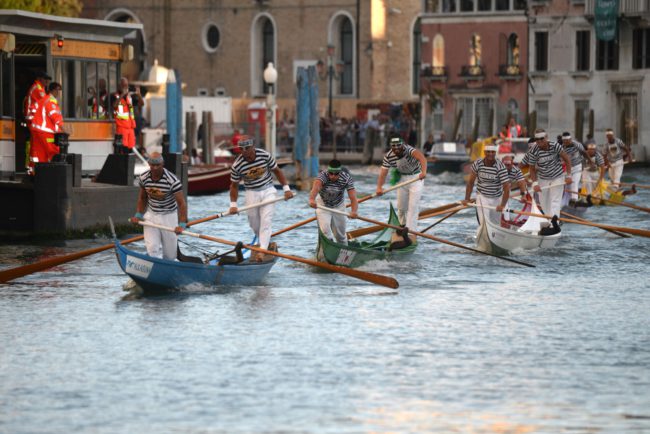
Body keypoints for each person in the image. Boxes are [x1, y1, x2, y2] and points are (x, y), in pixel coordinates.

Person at [228, 136, 293, 261]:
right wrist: (233, 205)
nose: (245, 152)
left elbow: (277, 171)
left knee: (266, 220)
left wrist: (286, 189)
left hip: (268, 190)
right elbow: (234, 186)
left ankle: (262, 250)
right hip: (251, 192)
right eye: (242, 149)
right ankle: (264, 241)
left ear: (253, 147)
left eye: (247, 148)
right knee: (254, 223)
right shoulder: (237, 165)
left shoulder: (264, 155)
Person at [130, 152, 187, 260]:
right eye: (152, 165)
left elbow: (181, 203)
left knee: (170, 255)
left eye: (158, 165)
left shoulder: (172, 180)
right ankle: (153, 268)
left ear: (162, 164)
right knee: (152, 248)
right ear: (149, 164)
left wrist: (182, 224)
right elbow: (143, 198)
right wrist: (138, 215)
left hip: (169, 216)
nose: (155, 168)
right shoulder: (143, 178)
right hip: (151, 215)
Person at [376, 133, 427, 237]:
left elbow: (422, 158)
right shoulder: (388, 156)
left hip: (416, 178)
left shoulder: (409, 150)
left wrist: (424, 172)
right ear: (391, 147)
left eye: (399, 146)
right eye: (394, 147)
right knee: (401, 207)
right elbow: (383, 173)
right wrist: (379, 187)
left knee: (413, 207)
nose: (396, 149)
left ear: (403, 145)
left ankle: (411, 233)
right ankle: (402, 227)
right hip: (402, 179)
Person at [308, 159, 358, 245]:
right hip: (323, 206)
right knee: (325, 231)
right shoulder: (323, 176)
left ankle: (344, 251)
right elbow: (316, 187)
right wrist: (312, 199)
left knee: (340, 237)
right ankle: (329, 247)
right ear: (328, 171)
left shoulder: (347, 178)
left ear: (340, 172)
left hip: (339, 206)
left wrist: (354, 211)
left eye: (336, 174)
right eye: (331, 173)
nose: (333, 176)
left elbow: (353, 198)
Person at [525, 128, 572, 218]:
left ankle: (554, 223)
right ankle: (549, 220)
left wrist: (569, 175)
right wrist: (535, 183)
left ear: (546, 137)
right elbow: (532, 169)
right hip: (543, 178)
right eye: (537, 139)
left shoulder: (555, 146)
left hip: (557, 176)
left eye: (541, 138)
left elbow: (567, 159)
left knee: (555, 201)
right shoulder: (533, 151)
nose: (539, 141)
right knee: (544, 203)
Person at [462, 145, 510, 225]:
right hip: (482, 196)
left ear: (495, 153)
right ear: (484, 152)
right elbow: (470, 183)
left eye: (492, 152)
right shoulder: (477, 163)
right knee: (483, 222)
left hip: (496, 198)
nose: (490, 154)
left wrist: (502, 205)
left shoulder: (500, 167)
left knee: (496, 223)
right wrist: (467, 199)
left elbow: (506, 188)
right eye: (488, 152)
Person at [29, 82, 64, 172]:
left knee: (40, 154)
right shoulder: (51, 101)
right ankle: (56, 174)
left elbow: (32, 109)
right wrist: (63, 128)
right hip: (46, 133)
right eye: (59, 90)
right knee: (54, 151)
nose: (60, 93)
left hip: (36, 131)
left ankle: (38, 174)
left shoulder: (43, 99)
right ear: (54, 90)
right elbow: (55, 116)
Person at [23, 71, 51, 174]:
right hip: (33, 120)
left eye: (48, 79)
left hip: (34, 120)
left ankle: (33, 169)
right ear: (40, 79)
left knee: (35, 145)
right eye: (45, 79)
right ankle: (32, 170)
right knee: (35, 145)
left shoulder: (40, 88)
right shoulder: (38, 89)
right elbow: (46, 103)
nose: (47, 81)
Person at [113, 77, 142, 151]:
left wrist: (139, 95)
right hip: (121, 127)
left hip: (131, 127)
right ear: (119, 86)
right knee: (122, 149)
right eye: (124, 85)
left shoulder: (129, 97)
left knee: (130, 149)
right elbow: (114, 105)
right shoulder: (115, 96)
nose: (126, 87)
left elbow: (141, 104)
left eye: (127, 85)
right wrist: (122, 94)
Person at [560, 132, 588, 202]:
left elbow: (584, 152)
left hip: (577, 167)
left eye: (567, 140)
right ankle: (566, 201)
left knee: (574, 183)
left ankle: (574, 200)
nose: (566, 142)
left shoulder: (577, 145)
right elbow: (560, 158)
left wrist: (590, 162)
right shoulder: (562, 147)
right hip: (567, 168)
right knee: (567, 186)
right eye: (564, 141)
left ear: (570, 139)